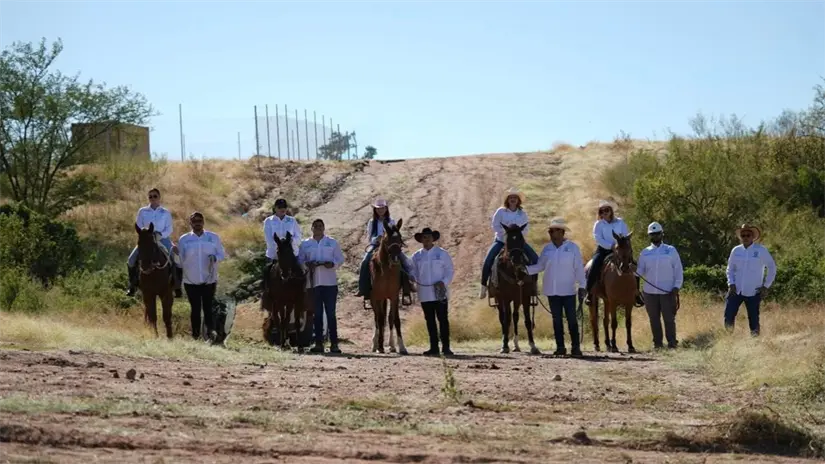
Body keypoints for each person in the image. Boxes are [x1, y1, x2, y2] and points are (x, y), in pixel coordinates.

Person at [526, 218, 586, 357]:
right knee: (556, 320)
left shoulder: (572, 248)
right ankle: (560, 347)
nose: (553, 233)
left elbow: (578, 268)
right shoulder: (547, 249)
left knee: (571, 319)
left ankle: (576, 347)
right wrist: (525, 269)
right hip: (552, 291)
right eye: (551, 230)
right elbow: (540, 266)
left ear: (562, 232)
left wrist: (582, 286)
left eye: (556, 230)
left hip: (569, 290)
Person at [479, 187, 540, 299]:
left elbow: (526, 228)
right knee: (488, 259)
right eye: (511, 197)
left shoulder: (522, 214)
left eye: (515, 198)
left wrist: (517, 236)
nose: (513, 199)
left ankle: (533, 287)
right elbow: (495, 225)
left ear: (518, 200)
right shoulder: (500, 211)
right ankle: (483, 286)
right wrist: (506, 235)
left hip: (517, 243)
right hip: (501, 241)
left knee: (535, 258)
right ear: (507, 199)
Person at [404, 227, 455, 356]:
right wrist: (412, 277)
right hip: (425, 292)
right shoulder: (416, 256)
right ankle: (434, 347)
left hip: (439, 291)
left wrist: (443, 282)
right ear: (421, 240)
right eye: (424, 237)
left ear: (433, 238)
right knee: (430, 320)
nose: (426, 239)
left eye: (428, 237)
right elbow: (413, 270)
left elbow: (449, 270)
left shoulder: (442, 253)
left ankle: (446, 347)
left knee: (443, 319)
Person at [175, 212, 225, 342]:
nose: (197, 223)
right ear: (190, 223)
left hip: (209, 279)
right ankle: (196, 336)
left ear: (203, 222)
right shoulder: (184, 239)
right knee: (195, 309)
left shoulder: (213, 237)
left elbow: (222, 254)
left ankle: (210, 336)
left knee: (208, 308)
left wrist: (215, 258)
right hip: (190, 280)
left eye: (200, 220)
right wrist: (175, 254)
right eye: (194, 221)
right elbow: (179, 261)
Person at [584, 199, 644, 307]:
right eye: (601, 211)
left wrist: (620, 247)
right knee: (595, 264)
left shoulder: (620, 222)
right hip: (604, 250)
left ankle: (636, 293)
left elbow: (625, 236)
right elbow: (598, 239)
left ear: (611, 211)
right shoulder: (598, 224)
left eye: (606, 210)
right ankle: (589, 293)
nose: (604, 213)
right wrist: (611, 246)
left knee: (634, 266)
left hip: (620, 250)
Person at [298, 219, 345, 354]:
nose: (318, 228)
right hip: (312, 284)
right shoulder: (305, 244)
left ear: (324, 228)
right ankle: (318, 343)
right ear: (311, 228)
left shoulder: (332, 242)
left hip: (329, 283)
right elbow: (300, 260)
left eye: (320, 226)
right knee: (316, 314)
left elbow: (340, 259)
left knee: (330, 314)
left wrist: (333, 264)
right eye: (316, 226)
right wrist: (307, 264)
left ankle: (334, 343)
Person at [126, 188, 183, 298]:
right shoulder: (142, 211)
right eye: (150, 196)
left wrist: (160, 235)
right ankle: (132, 285)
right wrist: (146, 234)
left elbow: (169, 228)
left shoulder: (165, 212)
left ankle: (177, 286)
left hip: (162, 238)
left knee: (177, 258)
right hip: (147, 240)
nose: (152, 198)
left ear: (159, 197)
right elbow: (138, 225)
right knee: (131, 260)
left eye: (155, 196)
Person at [355, 198, 413, 304]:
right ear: (375, 210)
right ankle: (363, 288)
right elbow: (369, 237)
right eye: (378, 208)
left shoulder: (391, 221)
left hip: (390, 245)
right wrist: (376, 238)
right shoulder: (372, 222)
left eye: (382, 208)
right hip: (376, 245)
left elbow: (395, 233)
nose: (380, 210)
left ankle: (408, 285)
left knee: (405, 261)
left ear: (386, 208)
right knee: (364, 262)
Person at [637, 222, 683, 350]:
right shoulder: (645, 252)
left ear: (662, 234)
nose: (655, 236)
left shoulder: (671, 250)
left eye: (657, 233)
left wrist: (676, 287)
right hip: (649, 292)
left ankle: (672, 343)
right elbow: (640, 271)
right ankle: (657, 344)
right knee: (654, 319)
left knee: (669, 319)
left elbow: (678, 270)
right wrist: (632, 268)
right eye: (652, 234)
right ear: (649, 236)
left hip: (668, 291)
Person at [725, 223, 776, 336]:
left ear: (753, 236)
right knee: (728, 315)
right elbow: (730, 268)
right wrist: (731, 283)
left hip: (753, 291)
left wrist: (766, 286)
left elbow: (772, 267)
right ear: (741, 237)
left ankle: (755, 342)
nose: (746, 237)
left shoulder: (761, 250)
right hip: (736, 290)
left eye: (748, 235)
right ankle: (727, 340)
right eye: (743, 235)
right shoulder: (736, 250)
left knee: (753, 318)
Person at [262, 198, 303, 290]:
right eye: (280, 207)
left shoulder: (292, 220)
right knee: (266, 274)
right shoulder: (269, 221)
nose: (282, 209)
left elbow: (298, 236)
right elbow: (268, 238)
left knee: (302, 273)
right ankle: (266, 295)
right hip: (275, 255)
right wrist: (280, 247)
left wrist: (291, 243)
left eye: (284, 207)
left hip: (291, 254)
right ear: (275, 208)